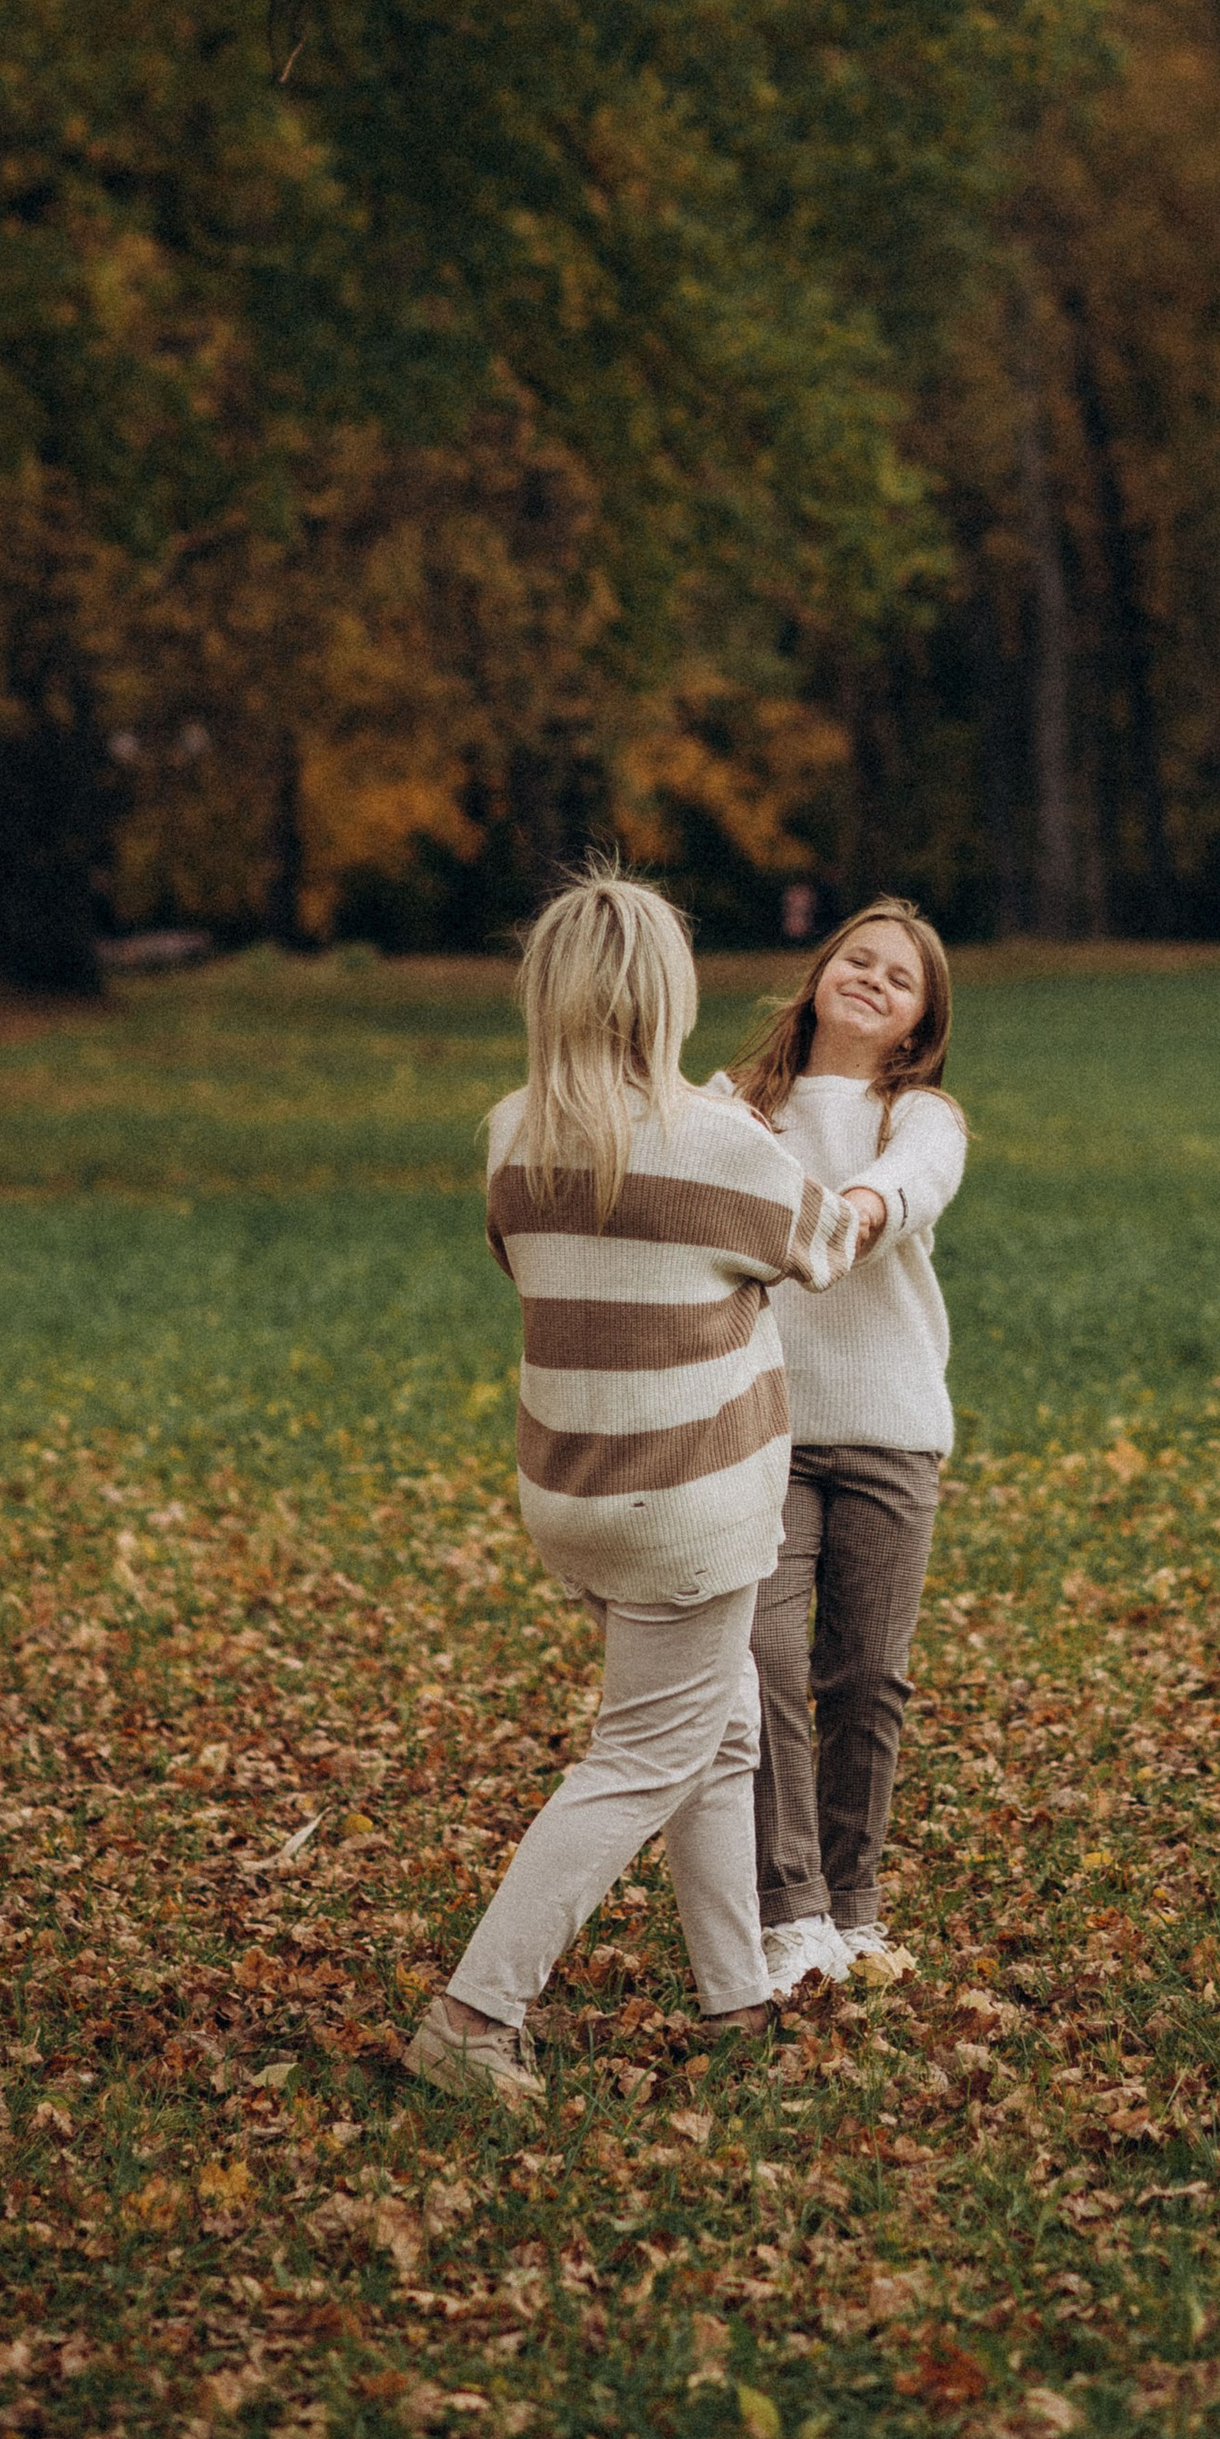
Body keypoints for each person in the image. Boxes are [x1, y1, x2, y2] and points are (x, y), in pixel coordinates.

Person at [405, 863, 886, 2110]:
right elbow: (828, 1244)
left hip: (573, 1492)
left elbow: (533, 1258)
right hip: (687, 1505)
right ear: (664, 996)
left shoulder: (514, 1132)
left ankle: (735, 1998)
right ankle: (472, 2012)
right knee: (638, 1755)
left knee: (717, 1733)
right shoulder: (715, 1141)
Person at [714, 899, 967, 1997]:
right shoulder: (731, 1110)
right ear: (820, 976)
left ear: (914, 1023)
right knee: (762, 1667)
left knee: (866, 1674)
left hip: (890, 1431)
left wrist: (849, 1210)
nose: (871, 979)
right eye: (856, 959)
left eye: (897, 977)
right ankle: (789, 1912)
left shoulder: (919, 1116)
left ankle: (853, 1907)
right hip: (761, 1429)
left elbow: (904, 1191)